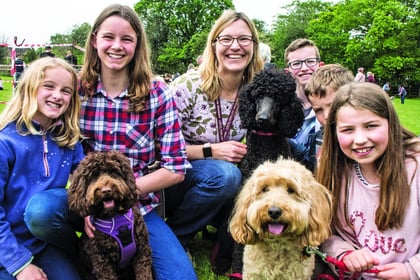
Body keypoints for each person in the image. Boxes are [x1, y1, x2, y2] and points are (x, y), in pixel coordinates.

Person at [77, 4, 197, 279]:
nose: (116, 46)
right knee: (43, 213)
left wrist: (119, 193)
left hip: (139, 208)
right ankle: (64, 252)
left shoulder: (157, 93)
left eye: (126, 39)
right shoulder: (78, 90)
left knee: (181, 277)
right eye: (109, 37)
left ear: (137, 45)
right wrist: (89, 202)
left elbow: (176, 168)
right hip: (87, 204)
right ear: (95, 40)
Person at [166, 9, 264, 250]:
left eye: (244, 39)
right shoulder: (187, 86)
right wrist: (210, 151)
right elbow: (160, 148)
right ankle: (175, 237)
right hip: (174, 176)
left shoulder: (255, 91)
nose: (235, 46)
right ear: (213, 45)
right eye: (226, 39)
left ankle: (222, 229)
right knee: (226, 176)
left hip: (217, 176)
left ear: (254, 46)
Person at [317, 82, 420, 279]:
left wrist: (412, 270)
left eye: (371, 126)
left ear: (391, 123)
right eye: (348, 130)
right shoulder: (334, 170)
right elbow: (325, 232)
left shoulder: (415, 166)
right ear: (334, 132)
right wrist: (344, 253)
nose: (360, 139)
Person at [0, 57, 84, 280]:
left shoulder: (69, 140)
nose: (58, 95)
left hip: (42, 244)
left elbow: (84, 183)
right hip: (6, 247)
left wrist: (92, 215)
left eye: (66, 91)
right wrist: (19, 265)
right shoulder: (5, 143)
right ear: (29, 88)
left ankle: (80, 258)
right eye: (49, 86)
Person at [304, 63, 354, 172]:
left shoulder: (366, 139)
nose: (327, 116)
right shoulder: (318, 140)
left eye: (333, 105)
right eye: (318, 110)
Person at [284, 38, 324, 166]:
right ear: (288, 71)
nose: (304, 68)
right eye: (296, 64)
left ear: (320, 65)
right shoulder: (280, 107)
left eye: (310, 61)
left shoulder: (332, 105)